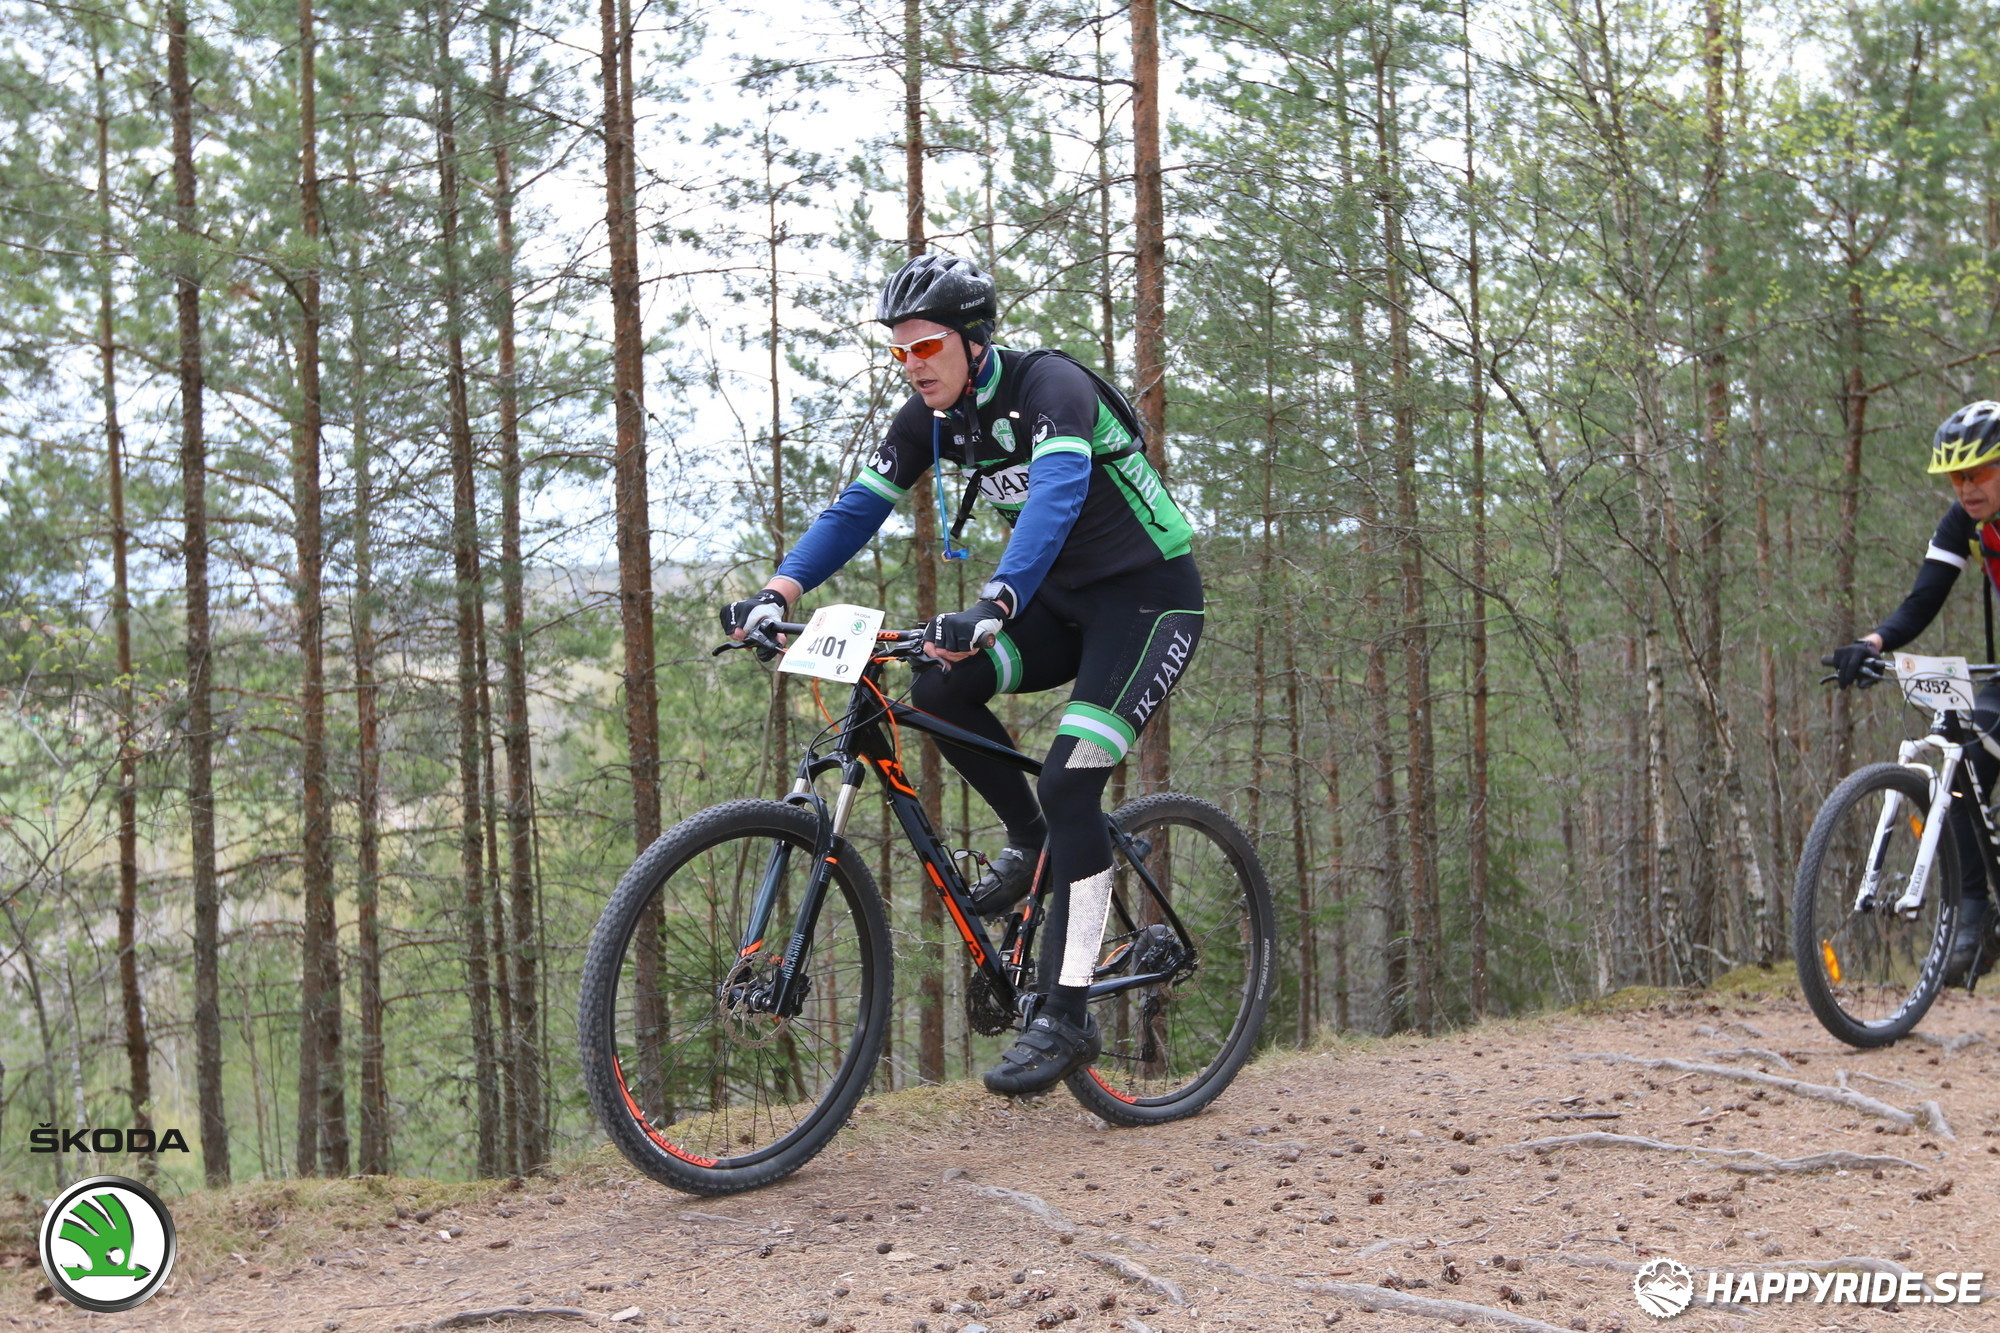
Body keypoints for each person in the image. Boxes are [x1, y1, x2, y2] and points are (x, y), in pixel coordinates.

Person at [720, 253, 1203, 1095]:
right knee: (941, 687)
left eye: (927, 347)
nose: (913, 366)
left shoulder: (1053, 388)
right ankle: (1032, 838)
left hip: (1148, 602)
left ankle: (1067, 1013)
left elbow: (1056, 495)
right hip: (1059, 605)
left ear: (975, 340)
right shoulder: (930, 419)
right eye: (899, 352)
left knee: (1073, 779)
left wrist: (995, 600)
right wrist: (778, 590)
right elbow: (856, 508)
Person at [1828, 399, 2000, 983]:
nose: (1966, 487)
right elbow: (1925, 596)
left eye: (1978, 472)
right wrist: (1873, 643)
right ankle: (1973, 918)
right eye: (1956, 477)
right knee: (1965, 764)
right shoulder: (1964, 523)